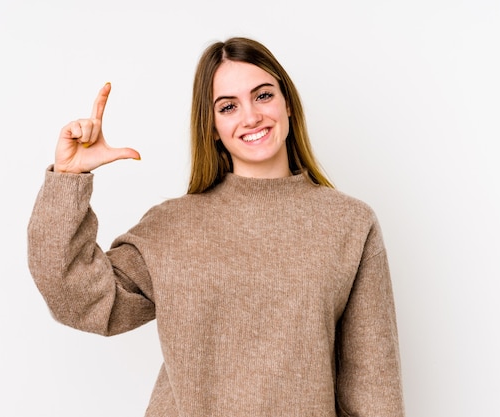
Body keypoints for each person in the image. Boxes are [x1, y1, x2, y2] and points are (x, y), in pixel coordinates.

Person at [27, 37, 405, 416]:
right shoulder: (173, 225)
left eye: (263, 96)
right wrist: (68, 178)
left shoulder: (349, 224)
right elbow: (77, 298)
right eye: (228, 106)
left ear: (287, 103)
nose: (251, 117)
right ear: (211, 127)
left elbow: (373, 388)